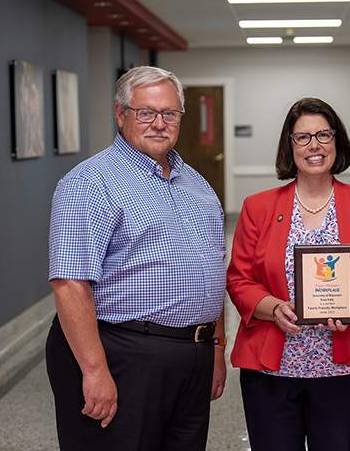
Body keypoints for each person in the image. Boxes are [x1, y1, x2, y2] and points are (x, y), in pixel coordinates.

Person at [46, 66, 227, 451]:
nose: (159, 123)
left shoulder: (197, 183)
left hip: (191, 355)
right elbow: (69, 283)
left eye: (170, 113)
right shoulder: (89, 183)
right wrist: (94, 371)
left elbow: (212, 270)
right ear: (120, 114)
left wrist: (215, 348)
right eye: (145, 112)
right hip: (122, 354)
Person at [227, 97, 350, 451]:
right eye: (302, 137)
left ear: (338, 141)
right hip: (271, 370)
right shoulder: (258, 208)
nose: (314, 146)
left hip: (342, 369)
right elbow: (239, 280)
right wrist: (273, 307)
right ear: (289, 146)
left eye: (324, 134)